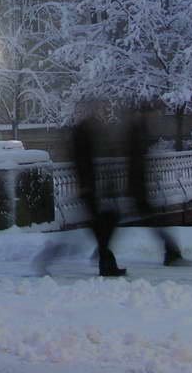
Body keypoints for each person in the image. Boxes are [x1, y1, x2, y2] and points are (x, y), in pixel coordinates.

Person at [34, 117, 126, 277]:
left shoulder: (83, 139)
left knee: (97, 229)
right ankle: (105, 263)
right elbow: (83, 166)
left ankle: (105, 262)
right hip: (88, 192)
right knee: (97, 229)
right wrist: (86, 187)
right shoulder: (83, 140)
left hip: (89, 192)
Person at [125, 113, 191, 267]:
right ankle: (172, 253)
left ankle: (103, 252)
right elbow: (136, 167)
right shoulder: (136, 142)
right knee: (156, 222)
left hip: (137, 190)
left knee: (114, 225)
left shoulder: (134, 141)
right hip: (138, 191)